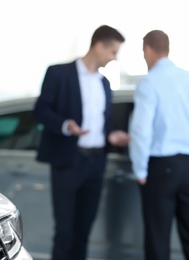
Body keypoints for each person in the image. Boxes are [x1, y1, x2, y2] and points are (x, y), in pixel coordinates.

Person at [33, 25, 130, 260]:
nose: (114, 58)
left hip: (96, 162)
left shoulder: (104, 84)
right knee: (65, 231)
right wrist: (67, 125)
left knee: (83, 230)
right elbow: (41, 111)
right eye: (113, 52)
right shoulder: (58, 73)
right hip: (69, 161)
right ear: (99, 45)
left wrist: (112, 135)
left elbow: (103, 124)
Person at [129, 30, 189, 260]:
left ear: (148, 49)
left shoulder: (149, 82)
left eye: (143, 52)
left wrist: (140, 170)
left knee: (158, 236)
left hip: (160, 168)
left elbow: (141, 130)